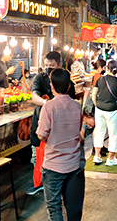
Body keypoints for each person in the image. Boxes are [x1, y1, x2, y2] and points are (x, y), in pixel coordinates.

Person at [36, 68, 85, 221]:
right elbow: (78, 130)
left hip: (54, 168)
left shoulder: (48, 106)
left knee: (55, 209)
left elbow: (41, 135)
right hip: (74, 166)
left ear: (51, 86)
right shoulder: (77, 105)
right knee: (73, 209)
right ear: (69, 86)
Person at [28, 51, 81, 196]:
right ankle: (40, 184)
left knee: (54, 162)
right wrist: (48, 104)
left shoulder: (67, 83)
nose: (48, 68)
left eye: (51, 66)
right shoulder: (41, 77)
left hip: (58, 132)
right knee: (37, 157)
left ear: (59, 64)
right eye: (46, 65)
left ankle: (54, 187)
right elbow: (34, 97)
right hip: (40, 123)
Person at [91, 60, 117, 166]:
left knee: (100, 132)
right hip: (113, 111)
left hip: (100, 110)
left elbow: (93, 94)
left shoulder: (100, 79)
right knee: (113, 135)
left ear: (107, 68)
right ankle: (111, 158)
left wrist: (96, 104)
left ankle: (97, 156)